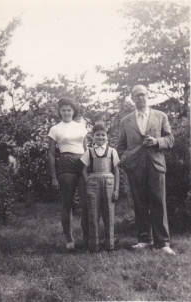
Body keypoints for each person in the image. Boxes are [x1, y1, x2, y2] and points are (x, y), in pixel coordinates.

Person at [117, 85, 176, 255]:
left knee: (159, 202)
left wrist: (157, 142)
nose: (140, 98)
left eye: (143, 94)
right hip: (135, 166)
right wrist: (126, 161)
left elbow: (170, 139)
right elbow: (121, 146)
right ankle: (144, 240)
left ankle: (163, 243)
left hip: (155, 163)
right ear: (132, 98)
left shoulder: (160, 116)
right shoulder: (126, 121)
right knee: (139, 202)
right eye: (137, 95)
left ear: (147, 96)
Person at [48, 98, 88, 250]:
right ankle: (70, 240)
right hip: (65, 163)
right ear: (59, 111)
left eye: (69, 110)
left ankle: (88, 237)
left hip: (82, 162)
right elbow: (51, 154)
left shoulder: (81, 127)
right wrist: (53, 177)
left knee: (86, 202)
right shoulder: (55, 129)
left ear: (73, 111)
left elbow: (86, 149)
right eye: (63, 110)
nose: (66, 112)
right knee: (67, 203)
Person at [80, 122, 120, 252]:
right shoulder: (89, 152)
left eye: (103, 135)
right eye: (97, 135)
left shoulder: (112, 151)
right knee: (93, 214)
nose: (100, 138)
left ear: (107, 137)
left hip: (109, 183)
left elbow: (117, 171)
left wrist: (116, 190)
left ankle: (110, 246)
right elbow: (84, 170)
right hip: (94, 184)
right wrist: (88, 182)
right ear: (93, 137)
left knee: (109, 214)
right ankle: (94, 246)